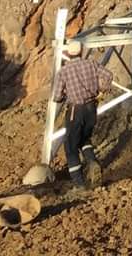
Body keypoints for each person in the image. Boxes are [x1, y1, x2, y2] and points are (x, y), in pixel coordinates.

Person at [52, 39, 113, 187]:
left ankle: (79, 184)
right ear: (81, 51)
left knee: (71, 146)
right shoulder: (91, 64)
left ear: (68, 53)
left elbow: (57, 97)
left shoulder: (64, 72)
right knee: (85, 139)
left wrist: (65, 95)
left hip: (75, 110)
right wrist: (101, 90)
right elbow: (108, 75)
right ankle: (92, 162)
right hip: (91, 107)